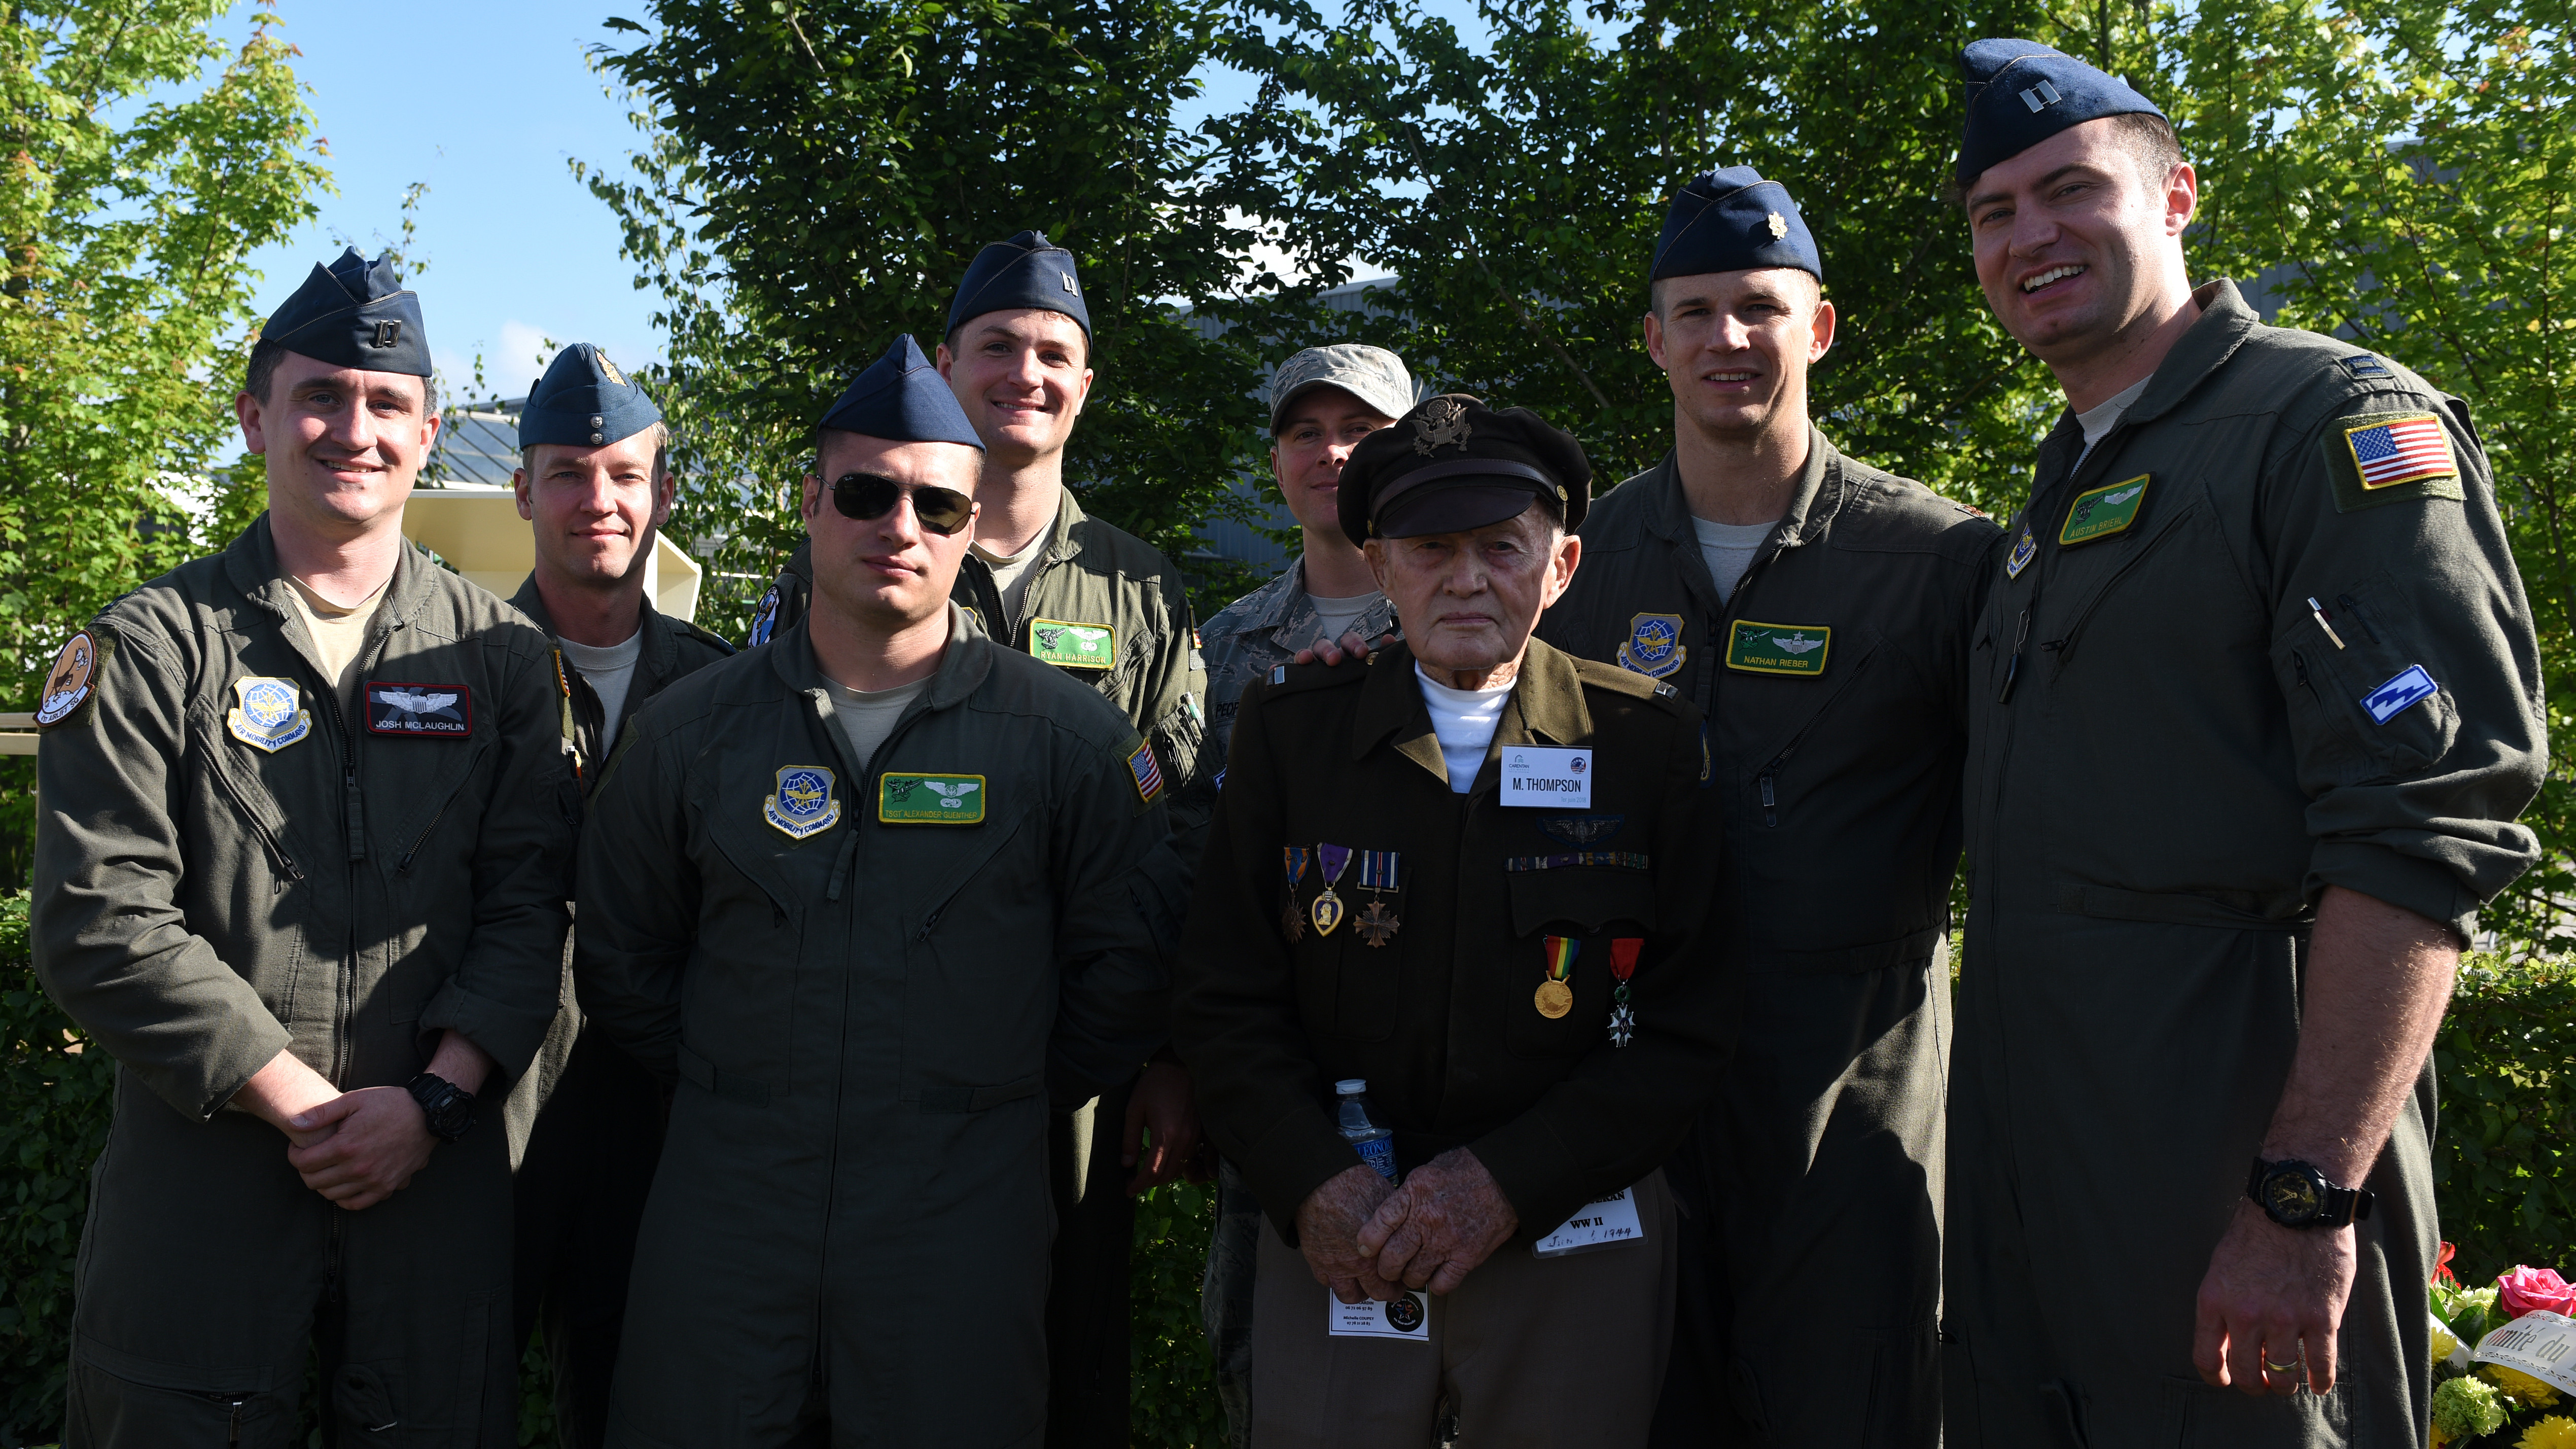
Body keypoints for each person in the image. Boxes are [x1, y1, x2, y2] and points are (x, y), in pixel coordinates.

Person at [1942, 40, 2543, 1447]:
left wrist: (2304, 1197)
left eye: (2069, 190)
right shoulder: (2059, 493)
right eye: (1994, 213)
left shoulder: (2326, 426)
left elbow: (2421, 829)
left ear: (2178, 195)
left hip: (2226, 1154)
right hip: (2045, 1164)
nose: (2029, 235)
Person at [573, 334, 1175, 1447]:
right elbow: (622, 956)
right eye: (865, 493)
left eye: (938, 508)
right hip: (730, 1215)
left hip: (960, 1225)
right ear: (810, 503)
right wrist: (750, 1080)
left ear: (968, 530)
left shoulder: (1068, 743)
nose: (900, 527)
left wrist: (983, 1094)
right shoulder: (688, 734)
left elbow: (1125, 967)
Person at [28, 248, 574, 1445]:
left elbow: (532, 907)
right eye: (320, 394)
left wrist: (430, 1102)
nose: (353, 428)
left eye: (387, 404)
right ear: (254, 415)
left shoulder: (500, 663)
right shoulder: (153, 647)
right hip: (206, 1196)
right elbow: (100, 921)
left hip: (434, 1197)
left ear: (429, 431)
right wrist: (311, 1110)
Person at [1174, 395, 1736, 1449]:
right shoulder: (1294, 732)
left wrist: (1503, 1183)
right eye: (1429, 549)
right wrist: (1312, 1184)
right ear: (1380, 566)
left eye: (1498, 547)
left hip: (1570, 1224)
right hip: (1345, 1232)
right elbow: (1223, 995)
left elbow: (1685, 1022)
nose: (1465, 578)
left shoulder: (1643, 744)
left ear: (1560, 566)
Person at [1535, 167, 1993, 1446]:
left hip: (1850, 1090)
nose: (1726, 340)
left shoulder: (1939, 560)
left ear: (1819, 326)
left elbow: (2033, 824)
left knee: (1849, 1407)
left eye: (1757, 307)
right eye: (1693, 312)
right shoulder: (1578, 562)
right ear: (1653, 340)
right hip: (1624, 1082)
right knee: (1638, 1407)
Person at [745, 231, 1206, 1442]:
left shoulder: (1141, 590)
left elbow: (1182, 833)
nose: (1027, 372)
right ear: (947, 363)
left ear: (1087, 382)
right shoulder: (837, 561)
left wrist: (1154, 1046)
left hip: (1073, 1065)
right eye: (997, 346)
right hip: (865, 1058)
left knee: (1067, 1356)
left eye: (1056, 352)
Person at [502, 342, 735, 1449]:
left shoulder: (730, 689)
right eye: (568, 473)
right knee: (450, 1393)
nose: (599, 500)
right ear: (522, 490)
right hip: (483, 1103)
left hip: (661, 1109)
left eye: (626, 475)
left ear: (662, 495)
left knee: (639, 1403)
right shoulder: (446, 667)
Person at [1192, 340, 1415, 1444]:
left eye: (1361, 431)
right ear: (1276, 458)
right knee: (1259, 1362)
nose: (1331, 452)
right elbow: (1189, 858)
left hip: (1436, 1080)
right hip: (1271, 1083)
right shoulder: (1225, 646)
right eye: (1305, 431)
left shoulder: (1469, 627)